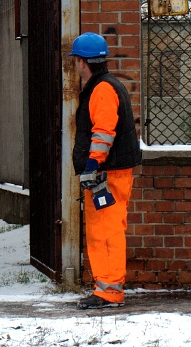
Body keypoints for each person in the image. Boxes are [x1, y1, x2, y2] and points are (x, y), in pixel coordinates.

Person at [69, 32, 142, 309]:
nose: (74, 65)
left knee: (106, 233)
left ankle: (109, 292)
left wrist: (92, 164)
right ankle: (105, 289)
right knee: (104, 231)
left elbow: (103, 132)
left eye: (75, 60)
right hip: (111, 173)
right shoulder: (108, 85)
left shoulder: (101, 89)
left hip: (107, 174)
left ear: (81, 61)